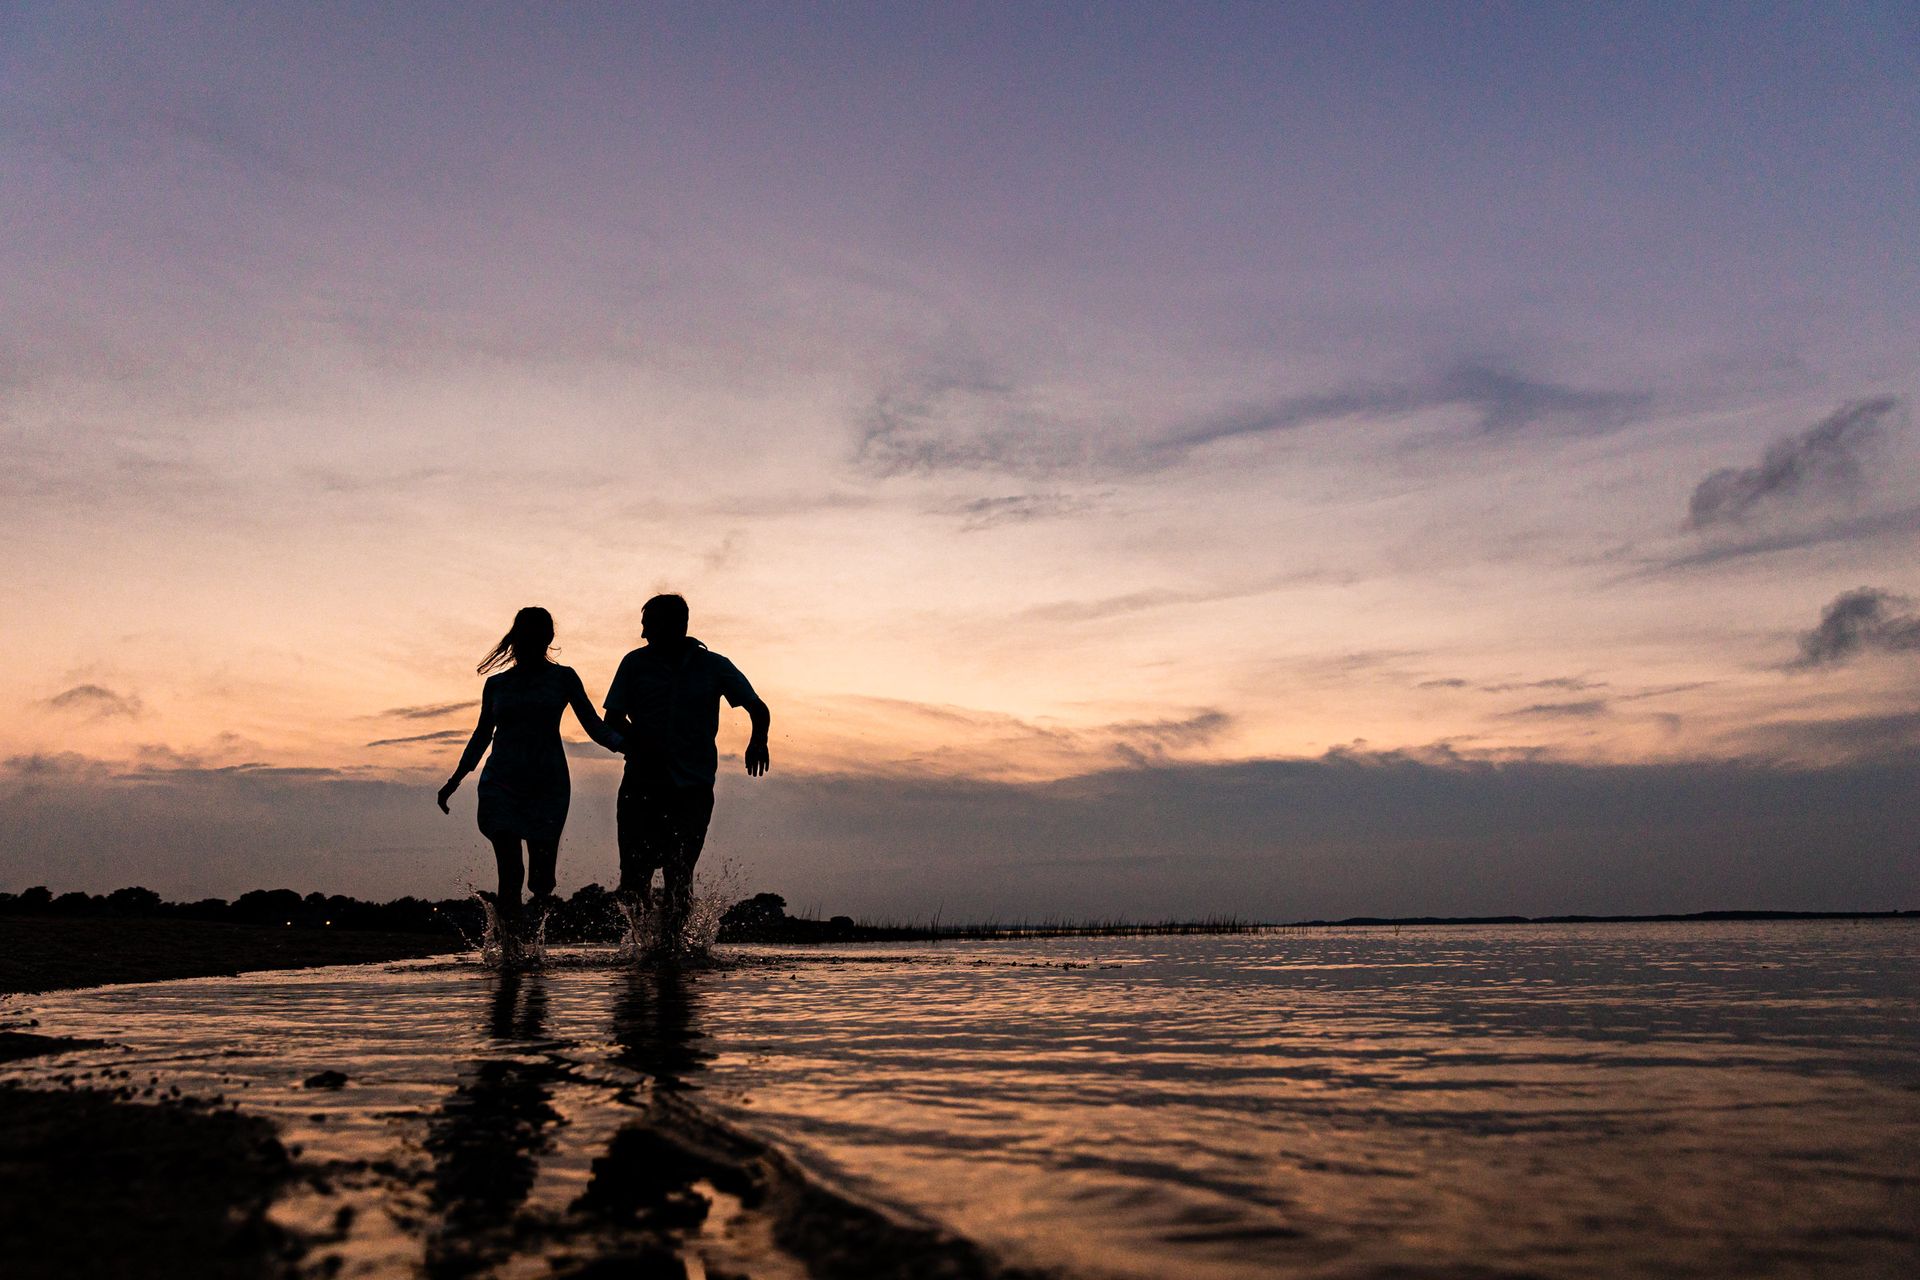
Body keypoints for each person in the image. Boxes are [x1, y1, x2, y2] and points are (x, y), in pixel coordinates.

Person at [437, 607, 624, 936]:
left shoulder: (564, 678)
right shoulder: (497, 685)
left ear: (549, 638)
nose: (530, 642)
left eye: (538, 635)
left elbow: (594, 725)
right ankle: (511, 953)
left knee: (541, 881)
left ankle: (532, 944)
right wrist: (455, 780)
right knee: (510, 872)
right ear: (515, 637)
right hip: (501, 783)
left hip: (547, 784)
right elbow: (482, 736)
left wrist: (625, 746)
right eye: (525, 635)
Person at [603, 593, 770, 947]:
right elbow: (613, 719)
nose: (643, 633)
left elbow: (758, 708)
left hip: (691, 786)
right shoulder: (634, 664)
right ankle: (645, 946)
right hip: (641, 782)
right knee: (633, 879)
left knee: (679, 872)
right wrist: (638, 740)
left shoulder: (713, 665)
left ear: (675, 626)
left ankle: (672, 950)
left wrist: (758, 741)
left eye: (649, 625)